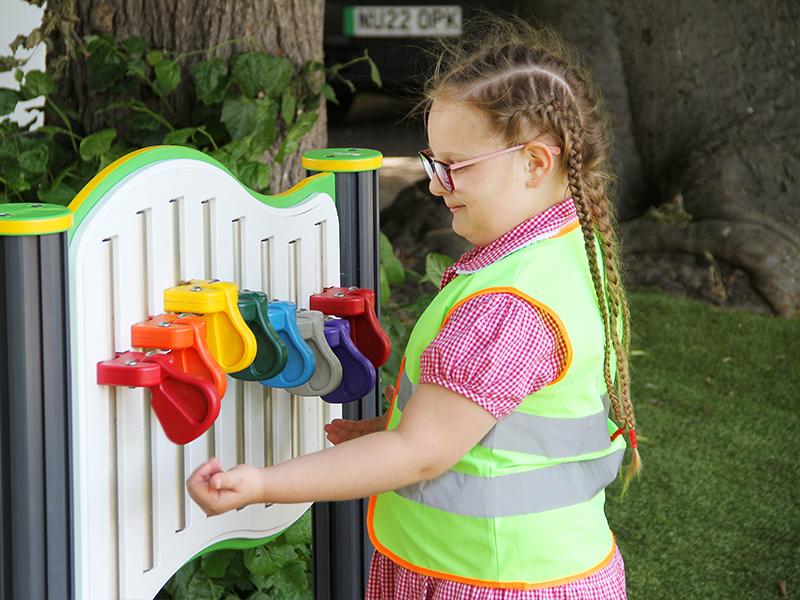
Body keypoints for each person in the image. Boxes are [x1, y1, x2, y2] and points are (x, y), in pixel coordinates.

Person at [187, 14, 641, 599]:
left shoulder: (506, 306)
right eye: (433, 164)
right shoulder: (574, 252)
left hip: (486, 580)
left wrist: (263, 483)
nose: (434, 185)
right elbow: (513, 424)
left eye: (454, 167)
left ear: (535, 163)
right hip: (555, 570)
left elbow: (419, 455)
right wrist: (389, 426)